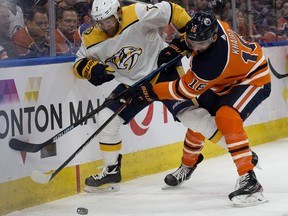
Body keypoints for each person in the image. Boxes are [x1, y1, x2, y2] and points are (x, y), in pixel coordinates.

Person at [128, 11, 271, 207]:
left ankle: (250, 180)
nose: (195, 46)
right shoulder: (213, 26)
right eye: (191, 40)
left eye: (200, 44)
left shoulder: (212, 63)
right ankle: (188, 164)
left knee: (227, 117)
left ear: (213, 38)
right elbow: (192, 38)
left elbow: (182, 90)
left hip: (252, 78)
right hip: (225, 79)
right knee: (199, 117)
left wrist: (150, 92)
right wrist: (180, 45)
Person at [73, 0, 217, 192]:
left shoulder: (136, 12)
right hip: (133, 86)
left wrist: (188, 38)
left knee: (192, 117)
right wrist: (90, 68)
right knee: (106, 119)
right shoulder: (91, 38)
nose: (105, 27)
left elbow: (171, 10)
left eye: (108, 21)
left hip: (163, 74)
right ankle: (111, 169)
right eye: (100, 23)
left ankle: (239, 150)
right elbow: (78, 63)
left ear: (117, 13)